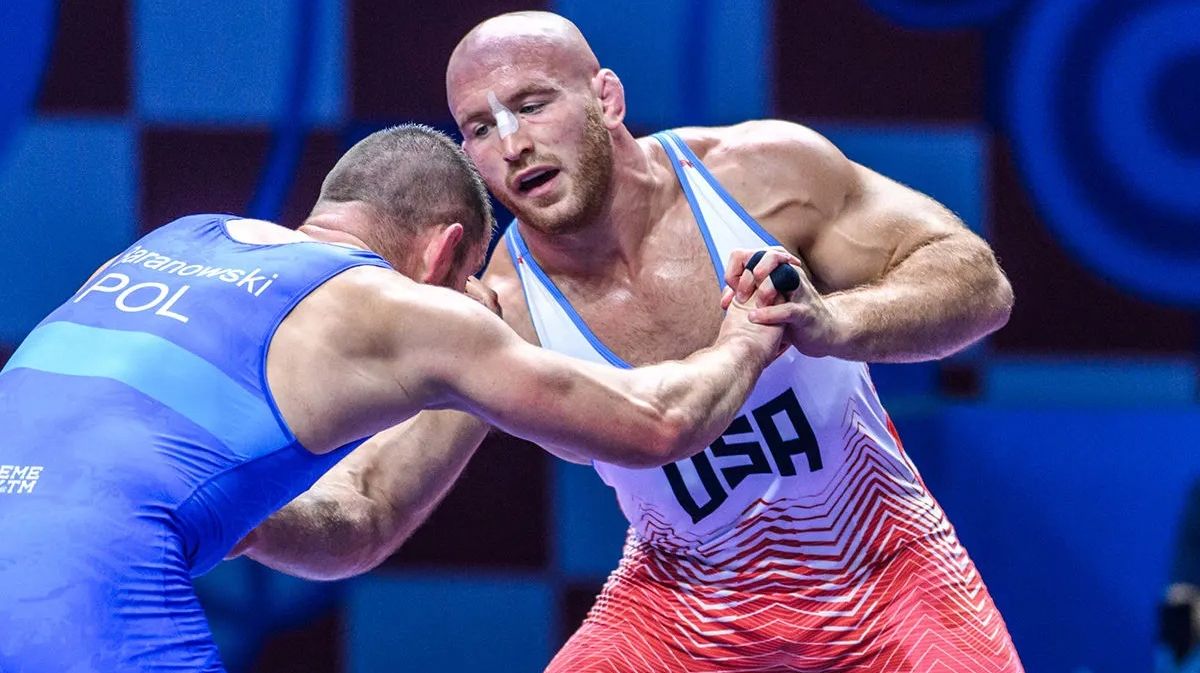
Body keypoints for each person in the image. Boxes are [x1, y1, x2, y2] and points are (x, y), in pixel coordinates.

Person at [242, 11, 1023, 672]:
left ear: (606, 98)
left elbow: (978, 282)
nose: (512, 144)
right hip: (681, 606)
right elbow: (370, 507)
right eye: (481, 127)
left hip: (886, 569)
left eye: (531, 105)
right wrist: (240, 519)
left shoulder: (760, 177)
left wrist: (834, 323)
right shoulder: (500, 312)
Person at [0, 123, 786, 673]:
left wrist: (245, 516)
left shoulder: (180, 237)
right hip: (82, 588)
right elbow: (658, 423)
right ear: (446, 252)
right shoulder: (401, 305)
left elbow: (359, 520)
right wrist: (749, 333)